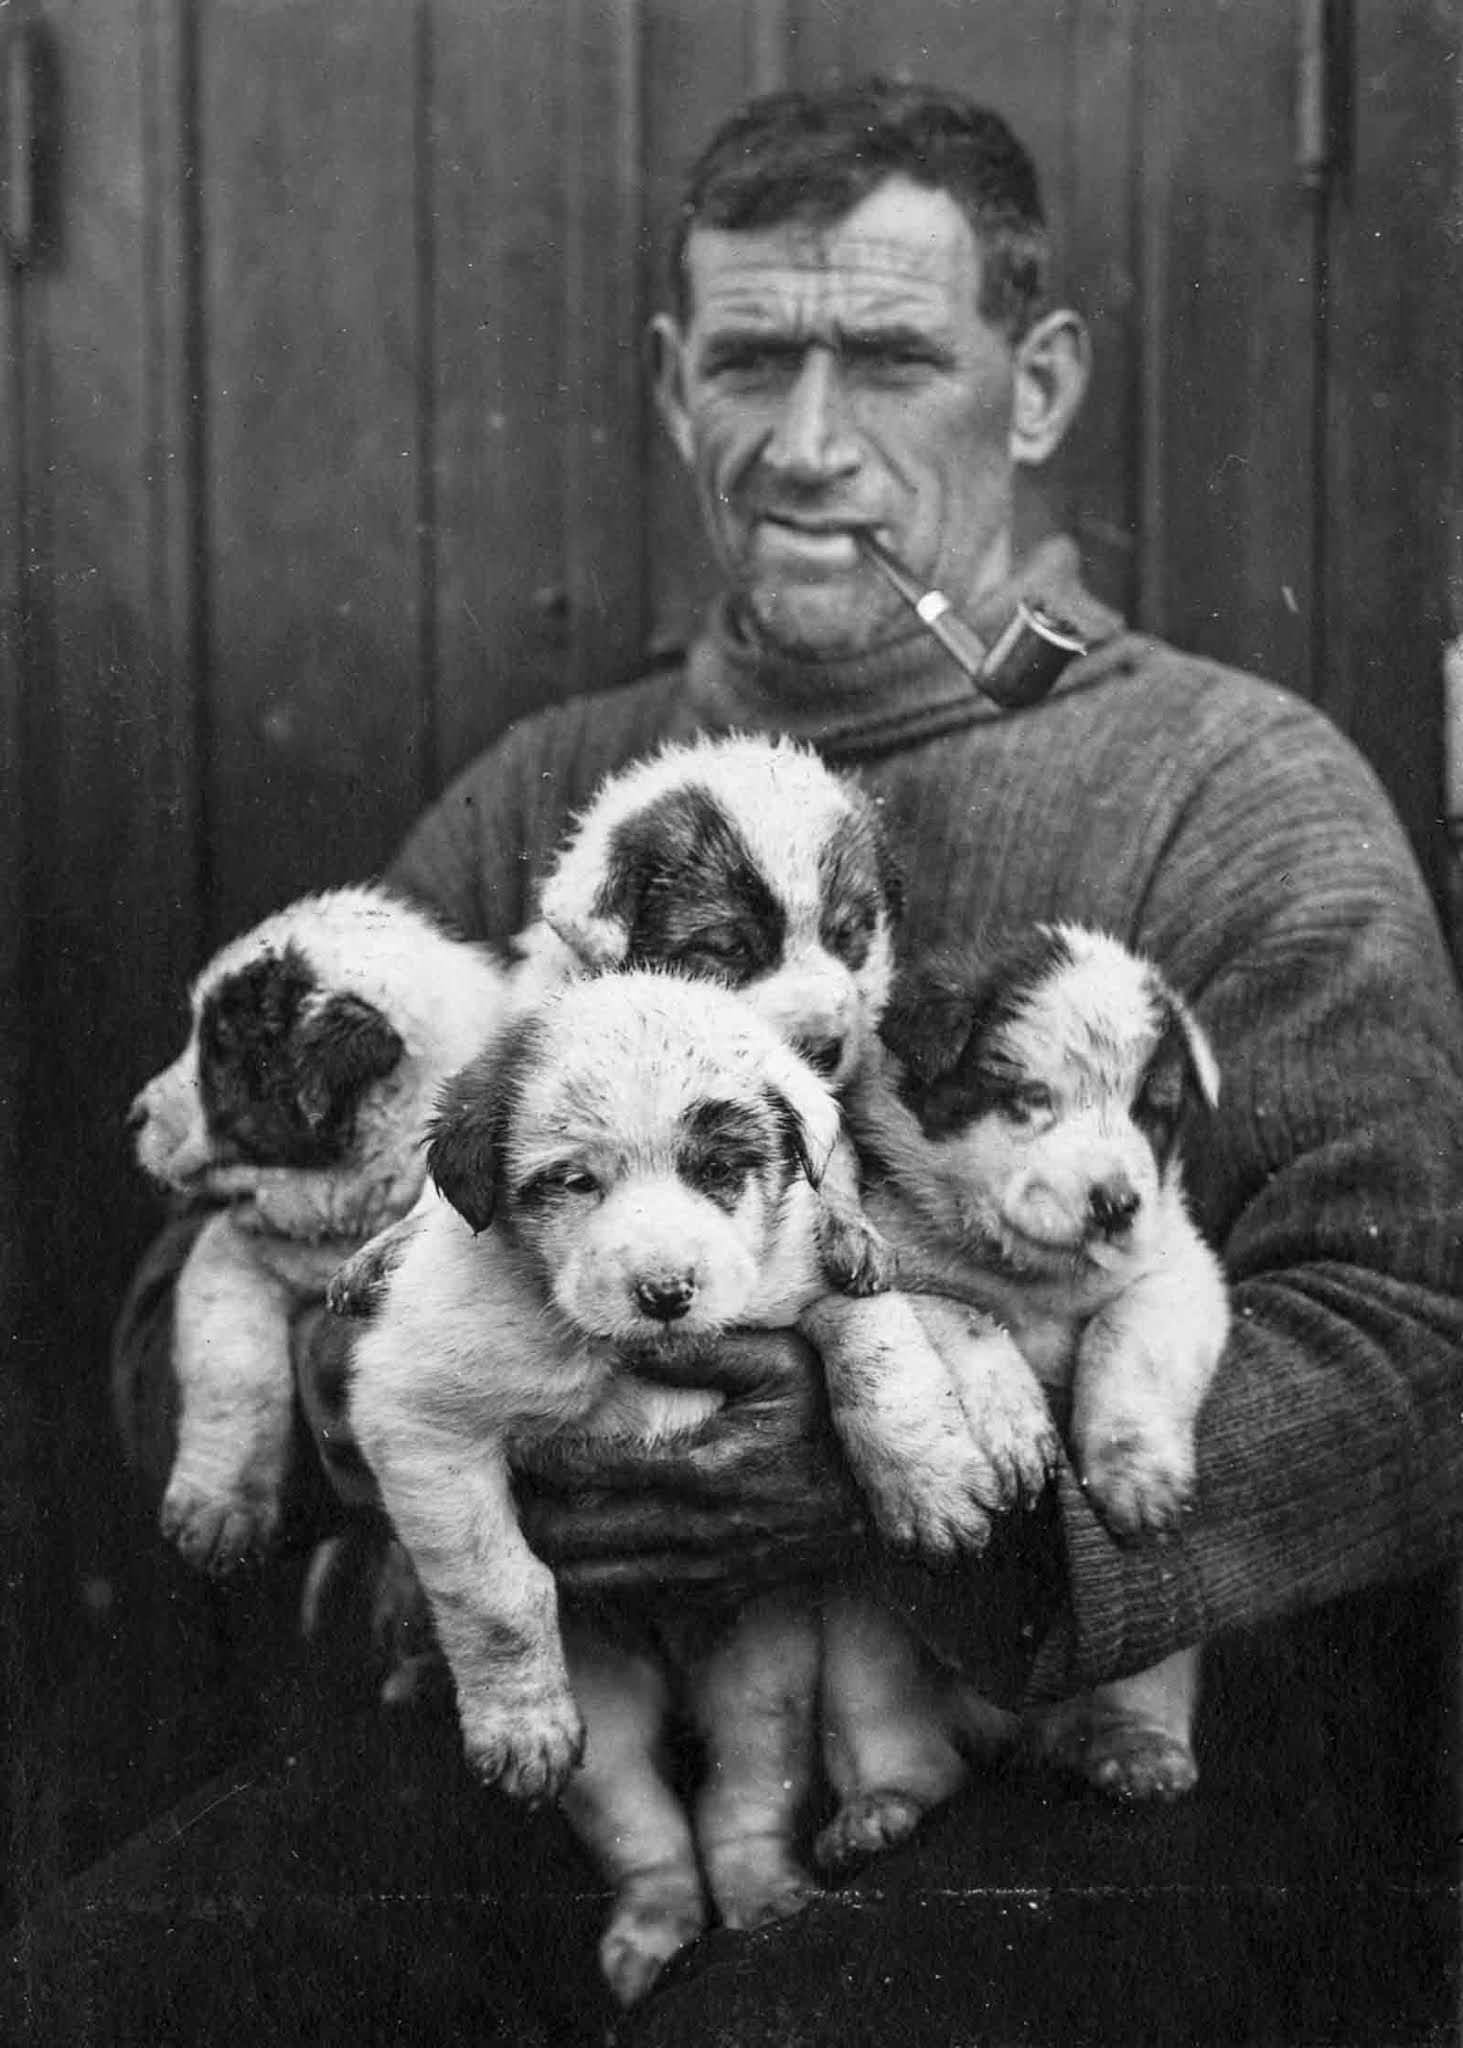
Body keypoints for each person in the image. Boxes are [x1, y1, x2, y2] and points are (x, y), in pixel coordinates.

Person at [89, 77, 1463, 2045]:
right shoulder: (551, 802)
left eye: (895, 357)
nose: (807, 444)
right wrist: (400, 1394)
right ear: (672, 384)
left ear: (1041, 381)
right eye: (752, 359)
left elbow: (1417, 1346)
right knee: (109, 1986)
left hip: (1037, 1780)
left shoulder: (1238, 794)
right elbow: (182, 1310)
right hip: (561, 1745)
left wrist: (884, 1481)